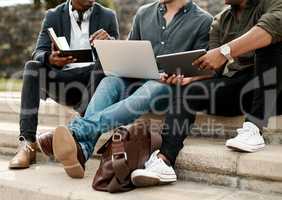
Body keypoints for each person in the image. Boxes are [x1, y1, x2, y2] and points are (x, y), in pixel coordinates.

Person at [37, 0, 213, 179]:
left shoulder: (203, 20)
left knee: (153, 86)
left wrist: (182, 76)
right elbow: (130, 52)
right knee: (110, 81)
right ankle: (82, 150)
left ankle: (77, 131)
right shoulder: (144, 13)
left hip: (168, 86)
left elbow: (204, 67)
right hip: (137, 79)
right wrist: (112, 48)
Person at [131, 0, 282, 187]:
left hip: (274, 88)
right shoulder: (221, 20)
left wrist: (224, 51)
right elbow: (213, 68)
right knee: (190, 90)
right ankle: (164, 160)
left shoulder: (273, 3)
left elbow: (271, 28)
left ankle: (254, 127)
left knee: (271, 42)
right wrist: (189, 80)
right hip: (239, 87)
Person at [9, 0, 119, 169]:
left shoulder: (108, 16)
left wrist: (110, 42)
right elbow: (38, 52)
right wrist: (50, 58)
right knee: (32, 67)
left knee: (103, 64)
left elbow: (117, 61)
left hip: (93, 81)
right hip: (63, 80)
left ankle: (75, 132)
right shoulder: (53, 15)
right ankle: (27, 143)